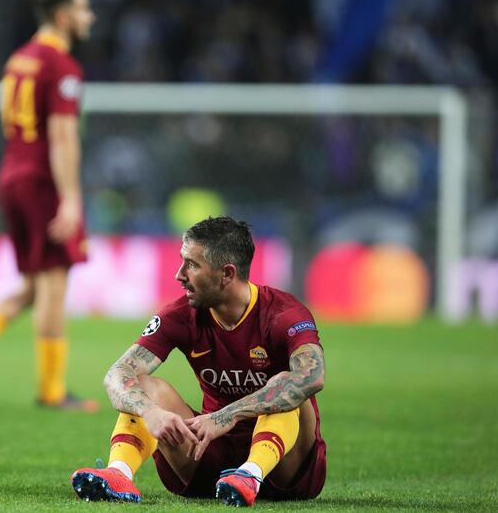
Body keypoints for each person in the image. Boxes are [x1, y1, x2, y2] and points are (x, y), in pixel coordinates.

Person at [71, 216, 327, 506]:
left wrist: (227, 415)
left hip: (284, 471)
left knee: (285, 383)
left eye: (192, 265)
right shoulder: (180, 315)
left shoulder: (283, 314)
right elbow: (117, 374)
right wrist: (150, 411)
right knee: (143, 386)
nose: (179, 275)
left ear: (226, 274)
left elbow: (312, 376)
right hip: (208, 453)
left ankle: (251, 473)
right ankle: (118, 473)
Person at [0, 0, 98, 411]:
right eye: (84, 9)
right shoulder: (62, 66)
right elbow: (63, 137)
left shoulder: (19, 59)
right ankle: (52, 392)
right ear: (62, 16)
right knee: (53, 285)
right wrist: (70, 199)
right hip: (41, 181)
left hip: (11, 173)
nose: (91, 17)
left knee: (33, 286)